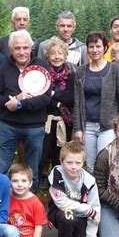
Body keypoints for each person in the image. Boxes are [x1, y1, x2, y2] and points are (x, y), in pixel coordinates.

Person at [0, 30, 52, 192]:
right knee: (2, 167)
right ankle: (1, 199)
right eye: (17, 48)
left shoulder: (41, 66)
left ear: (31, 48)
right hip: (7, 126)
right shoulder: (4, 67)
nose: (22, 52)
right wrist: (11, 100)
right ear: (11, 50)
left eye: (25, 47)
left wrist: (19, 104)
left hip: (34, 126)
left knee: (32, 168)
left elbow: (46, 98)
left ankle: (30, 203)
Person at [72, 31, 119, 174]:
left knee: (106, 164)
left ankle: (106, 196)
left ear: (105, 48)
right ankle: (91, 195)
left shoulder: (115, 69)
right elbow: (77, 101)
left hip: (109, 126)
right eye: (91, 46)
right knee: (90, 165)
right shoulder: (81, 71)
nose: (95, 50)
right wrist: (78, 128)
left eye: (98, 46)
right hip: (88, 126)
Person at [47, 141, 100, 237]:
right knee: (68, 216)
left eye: (78, 163)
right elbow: (61, 202)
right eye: (69, 162)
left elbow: (95, 209)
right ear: (61, 161)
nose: (74, 167)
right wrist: (87, 209)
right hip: (61, 213)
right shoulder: (56, 173)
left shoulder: (90, 181)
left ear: (83, 162)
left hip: (81, 218)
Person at [39, 37, 75, 189]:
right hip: (46, 119)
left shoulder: (71, 74)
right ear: (47, 56)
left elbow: (70, 97)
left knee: (59, 152)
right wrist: (58, 99)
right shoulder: (43, 74)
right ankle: (41, 178)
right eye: (53, 54)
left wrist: (52, 93)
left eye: (60, 53)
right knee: (43, 151)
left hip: (64, 120)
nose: (57, 57)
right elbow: (42, 96)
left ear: (66, 55)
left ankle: (58, 180)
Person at [8, 163, 50, 237]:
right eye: (15, 181)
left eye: (24, 181)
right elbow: (3, 223)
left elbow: (38, 228)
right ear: (9, 182)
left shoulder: (35, 203)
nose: (19, 184)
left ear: (30, 183)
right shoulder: (7, 198)